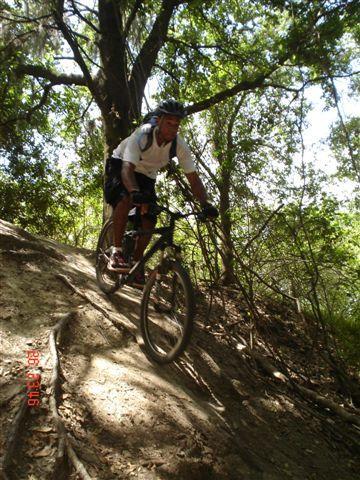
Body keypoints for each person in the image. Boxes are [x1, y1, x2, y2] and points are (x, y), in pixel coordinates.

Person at [104, 99, 218, 289]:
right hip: (122, 164)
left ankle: (137, 262)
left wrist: (205, 204)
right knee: (125, 199)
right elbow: (126, 170)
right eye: (169, 123)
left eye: (177, 125)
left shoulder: (179, 145)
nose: (173, 128)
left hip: (147, 175)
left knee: (150, 218)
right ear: (159, 121)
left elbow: (193, 179)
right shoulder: (142, 135)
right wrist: (134, 192)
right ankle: (117, 251)